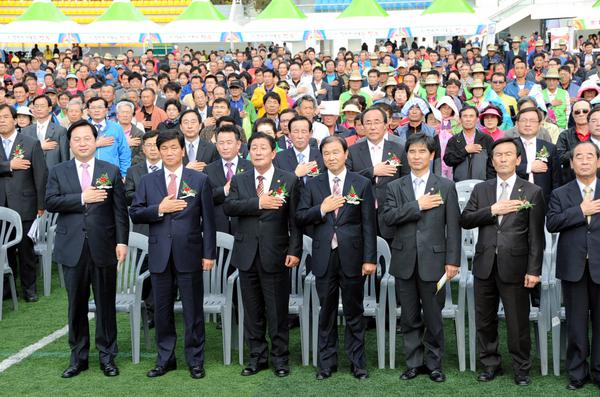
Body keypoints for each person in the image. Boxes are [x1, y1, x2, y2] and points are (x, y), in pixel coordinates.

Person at [45, 120, 129, 378]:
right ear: (70, 144)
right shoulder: (59, 171)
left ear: (96, 141)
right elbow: (50, 202)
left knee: (105, 304)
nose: (82, 143)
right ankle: (78, 357)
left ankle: (107, 357)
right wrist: (82, 198)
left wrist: (122, 241)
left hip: (103, 246)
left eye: (87, 138)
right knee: (76, 305)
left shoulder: (110, 170)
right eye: (77, 139)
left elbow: (119, 211)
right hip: (72, 247)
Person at [130, 129, 216, 379]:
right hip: (159, 254)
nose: (168, 153)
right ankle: (165, 359)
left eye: (173, 148)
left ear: (182, 150)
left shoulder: (198, 179)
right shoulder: (148, 181)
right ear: (157, 150)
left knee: (192, 310)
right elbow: (135, 212)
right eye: (163, 148)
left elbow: (208, 221)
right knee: (162, 311)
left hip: (190, 252)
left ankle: (195, 359)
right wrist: (159, 208)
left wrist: (208, 253)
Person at [460, 137, 545, 386]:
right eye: (498, 155)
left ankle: (521, 368)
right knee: (484, 319)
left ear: (518, 160)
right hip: (485, 264)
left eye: (509, 154)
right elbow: (465, 219)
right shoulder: (482, 189)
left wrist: (534, 270)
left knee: (517, 320)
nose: (503, 158)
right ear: (492, 160)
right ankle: (489, 364)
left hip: (516, 267)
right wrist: (493, 211)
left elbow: (536, 237)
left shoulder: (532, 191)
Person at [296, 135, 376, 381]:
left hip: (352, 256)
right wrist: (322, 209)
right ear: (321, 157)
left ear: (345, 154)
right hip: (323, 256)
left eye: (335, 152)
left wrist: (369, 258)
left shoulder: (360, 183)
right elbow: (300, 217)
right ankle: (326, 363)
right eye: (326, 154)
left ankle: (357, 363)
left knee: (354, 311)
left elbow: (368, 225)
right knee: (326, 311)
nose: (331, 157)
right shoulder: (313, 184)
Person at [382, 133, 461, 383]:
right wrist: (417, 204)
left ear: (432, 155)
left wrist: (453, 260)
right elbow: (388, 218)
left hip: (435, 262)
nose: (417, 156)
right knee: (409, 316)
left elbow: (454, 227)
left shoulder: (446, 186)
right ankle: (414, 363)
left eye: (422, 152)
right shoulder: (395, 186)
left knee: (434, 317)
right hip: (404, 260)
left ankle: (434, 363)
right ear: (406, 155)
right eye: (412, 152)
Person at [223, 132, 302, 378]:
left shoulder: (288, 180)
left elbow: (295, 221)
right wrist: (260, 203)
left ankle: (280, 359)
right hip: (246, 254)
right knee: (253, 309)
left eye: (263, 148)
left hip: (276, 253)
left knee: (277, 310)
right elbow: (230, 207)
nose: (257, 152)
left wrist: (294, 250)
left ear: (273, 153)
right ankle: (257, 357)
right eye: (253, 148)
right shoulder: (240, 179)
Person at [546, 141, 600, 391]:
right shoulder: (560, 193)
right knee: (576, 322)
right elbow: (553, 223)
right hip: (573, 266)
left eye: (590, 156)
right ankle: (577, 372)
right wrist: (581, 210)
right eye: (580, 156)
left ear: (598, 162)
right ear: (572, 163)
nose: (585, 160)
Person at [0, 104, 47, 302]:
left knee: (26, 250)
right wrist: (9, 165)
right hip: (1, 205)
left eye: (4, 117)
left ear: (14, 119)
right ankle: (7, 290)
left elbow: (41, 175)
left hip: (25, 204)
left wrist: (41, 205)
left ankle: (29, 289)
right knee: (4, 250)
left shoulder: (30, 143)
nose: (1, 121)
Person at [346, 107, 409, 240]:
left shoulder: (399, 149)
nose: (372, 127)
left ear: (386, 124)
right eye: (368, 123)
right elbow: (346, 179)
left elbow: (406, 180)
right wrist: (372, 171)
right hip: (361, 215)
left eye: (377, 122)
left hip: (391, 215)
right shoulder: (352, 151)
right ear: (362, 126)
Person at [203, 125, 252, 234]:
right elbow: (206, 197)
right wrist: (224, 190)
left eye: (229, 143)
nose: (225, 147)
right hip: (218, 228)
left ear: (238, 144)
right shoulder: (208, 170)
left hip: (244, 226)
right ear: (216, 145)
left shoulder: (250, 167)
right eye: (221, 143)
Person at [513, 107, 561, 204]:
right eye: (523, 120)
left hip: (543, 201)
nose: (528, 124)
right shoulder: (509, 146)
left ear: (539, 124)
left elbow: (556, 180)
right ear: (517, 124)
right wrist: (528, 167)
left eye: (532, 121)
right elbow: (500, 169)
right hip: (514, 199)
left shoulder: (550, 148)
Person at [86, 96, 131, 177]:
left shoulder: (116, 128)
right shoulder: (82, 127)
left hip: (112, 174)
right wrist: (96, 144)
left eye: (100, 107)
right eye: (93, 108)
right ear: (88, 111)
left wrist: (124, 174)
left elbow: (124, 153)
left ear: (106, 110)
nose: (96, 110)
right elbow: (76, 150)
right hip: (87, 173)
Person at [22, 94, 69, 169]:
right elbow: (23, 156)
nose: (39, 109)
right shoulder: (25, 131)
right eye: (36, 106)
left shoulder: (60, 131)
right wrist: (40, 147)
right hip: (32, 174)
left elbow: (64, 158)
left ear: (50, 108)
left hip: (53, 174)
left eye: (42, 106)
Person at [273, 115, 325, 183]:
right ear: (289, 134)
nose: (300, 136)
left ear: (310, 133)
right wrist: (295, 174)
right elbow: (276, 184)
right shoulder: (279, 158)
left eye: (303, 131)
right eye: (295, 131)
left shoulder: (321, 155)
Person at [556, 99, 591, 183]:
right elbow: (559, 158)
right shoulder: (564, 135)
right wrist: (579, 150)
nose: (581, 114)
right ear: (572, 115)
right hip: (570, 182)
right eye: (577, 112)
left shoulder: (597, 134)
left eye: (585, 111)